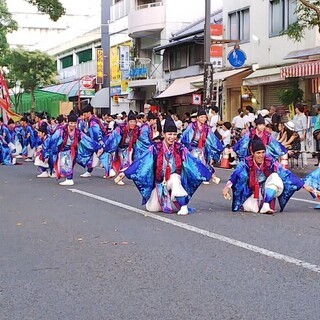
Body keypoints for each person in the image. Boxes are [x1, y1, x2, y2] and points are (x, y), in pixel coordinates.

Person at [115, 116, 214, 215]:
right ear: (163, 134)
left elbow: (193, 162)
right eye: (169, 134)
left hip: (173, 180)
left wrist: (209, 174)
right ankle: (167, 199)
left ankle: (183, 205)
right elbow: (142, 162)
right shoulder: (155, 148)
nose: (172, 137)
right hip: (160, 184)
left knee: (175, 178)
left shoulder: (180, 148)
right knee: (152, 208)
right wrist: (125, 173)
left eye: (174, 134)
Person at [222, 138, 314, 214]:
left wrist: (303, 185)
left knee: (275, 177)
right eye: (258, 153)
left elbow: (285, 173)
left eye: (263, 152)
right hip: (251, 191)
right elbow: (235, 175)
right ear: (252, 153)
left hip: (266, 189)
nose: (261, 155)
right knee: (252, 208)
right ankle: (255, 203)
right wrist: (227, 187)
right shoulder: (245, 163)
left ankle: (266, 204)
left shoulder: (270, 161)